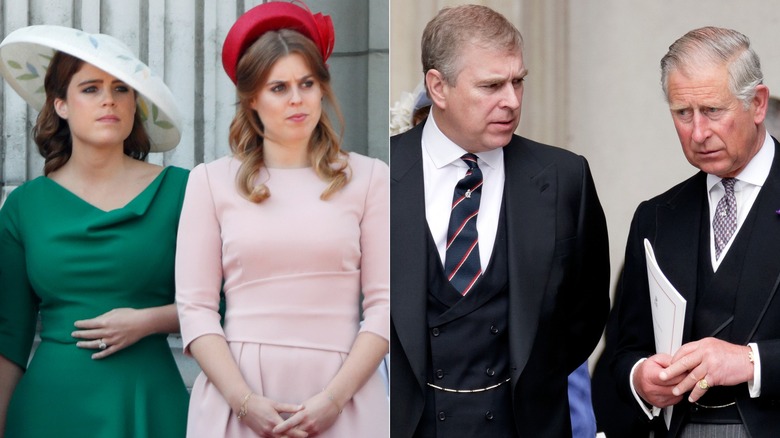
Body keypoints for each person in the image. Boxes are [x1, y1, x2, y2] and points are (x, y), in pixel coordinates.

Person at [389, 4, 610, 437]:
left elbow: (586, 313)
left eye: (517, 82)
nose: (510, 101)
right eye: (491, 85)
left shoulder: (565, 178)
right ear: (438, 87)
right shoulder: (379, 173)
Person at [174, 2, 389, 437]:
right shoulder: (210, 182)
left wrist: (334, 399)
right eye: (279, 87)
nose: (297, 99)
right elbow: (195, 309)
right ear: (251, 97)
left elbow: (385, 305)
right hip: (239, 392)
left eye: (307, 83)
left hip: (344, 392)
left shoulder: (369, 178)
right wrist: (244, 402)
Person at [0, 25, 188, 437]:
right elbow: (9, 335)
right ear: (60, 104)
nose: (109, 100)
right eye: (91, 88)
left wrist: (150, 321)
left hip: (148, 404)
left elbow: (231, 305)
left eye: (121, 89)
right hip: (48, 410)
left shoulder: (184, 191)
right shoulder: (23, 207)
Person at [612, 27, 780, 438]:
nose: (698, 132)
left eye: (713, 110)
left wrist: (752, 362)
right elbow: (621, 348)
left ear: (757, 103)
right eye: (682, 113)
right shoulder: (655, 217)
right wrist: (639, 377)